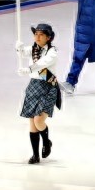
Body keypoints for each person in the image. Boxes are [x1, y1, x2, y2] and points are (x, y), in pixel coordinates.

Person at [17, 23, 59, 164]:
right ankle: (35, 155)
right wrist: (19, 48)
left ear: (48, 37)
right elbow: (23, 53)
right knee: (32, 123)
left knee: (39, 120)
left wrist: (29, 69)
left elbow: (42, 63)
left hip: (48, 87)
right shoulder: (33, 49)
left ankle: (46, 142)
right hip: (34, 86)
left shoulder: (52, 52)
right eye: (36, 34)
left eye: (41, 35)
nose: (37, 37)